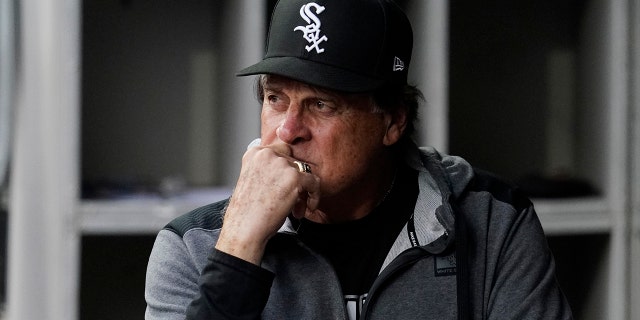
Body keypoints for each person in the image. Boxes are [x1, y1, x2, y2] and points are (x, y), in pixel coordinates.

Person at [144, 0, 574, 319]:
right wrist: (238, 252)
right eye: (275, 98)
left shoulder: (496, 222)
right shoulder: (192, 247)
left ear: (392, 121)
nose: (288, 130)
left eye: (322, 105)